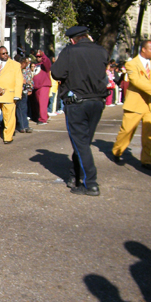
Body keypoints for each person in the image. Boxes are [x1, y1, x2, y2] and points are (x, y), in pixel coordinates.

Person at [51, 26, 108, 196]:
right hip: (97, 101)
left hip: (77, 102)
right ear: (87, 36)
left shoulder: (70, 51)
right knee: (84, 142)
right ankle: (75, 175)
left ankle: (90, 183)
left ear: (72, 39)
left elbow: (56, 73)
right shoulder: (101, 51)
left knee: (81, 144)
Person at [112, 40, 151, 168]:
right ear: (143, 49)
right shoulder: (131, 64)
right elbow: (137, 82)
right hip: (135, 103)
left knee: (148, 134)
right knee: (127, 131)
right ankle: (117, 151)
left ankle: (147, 160)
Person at [0, 46, 23, 144]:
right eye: (3, 53)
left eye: (7, 53)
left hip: (9, 94)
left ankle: (8, 137)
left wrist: (17, 94)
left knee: (9, 117)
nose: (6, 55)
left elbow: (19, 80)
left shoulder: (15, 65)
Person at [31, 49, 52, 124]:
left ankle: (43, 119)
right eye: (37, 57)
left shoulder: (45, 65)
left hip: (44, 85)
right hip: (36, 87)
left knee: (42, 103)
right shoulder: (36, 65)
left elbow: (47, 62)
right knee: (38, 104)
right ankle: (44, 116)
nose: (38, 58)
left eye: (39, 57)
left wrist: (43, 55)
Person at [14, 53, 33, 133]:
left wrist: (29, 88)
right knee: (18, 109)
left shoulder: (27, 70)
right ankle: (21, 126)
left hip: (24, 91)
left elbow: (30, 80)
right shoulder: (16, 70)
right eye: (24, 63)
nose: (25, 64)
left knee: (24, 109)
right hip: (17, 92)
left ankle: (25, 125)